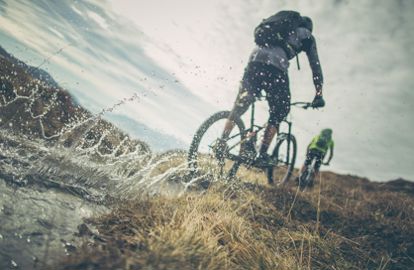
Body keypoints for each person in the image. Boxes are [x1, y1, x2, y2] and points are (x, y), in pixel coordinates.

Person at [215, 11, 325, 166]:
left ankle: (222, 140)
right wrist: (318, 93)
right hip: (276, 66)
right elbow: (315, 65)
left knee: (241, 103)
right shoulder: (306, 35)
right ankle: (262, 153)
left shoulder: (278, 27)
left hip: (254, 60)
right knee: (280, 110)